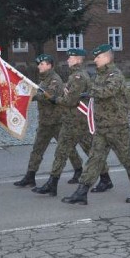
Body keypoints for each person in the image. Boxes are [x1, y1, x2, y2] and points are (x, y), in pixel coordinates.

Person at [62, 44, 130, 205]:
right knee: (94, 159)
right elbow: (95, 93)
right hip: (102, 128)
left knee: (127, 159)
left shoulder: (116, 75)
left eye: (98, 57)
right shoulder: (99, 75)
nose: (95, 59)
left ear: (106, 58)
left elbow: (107, 92)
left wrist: (88, 89)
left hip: (117, 127)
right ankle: (81, 192)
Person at [32, 48, 111, 196]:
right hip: (73, 120)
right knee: (69, 151)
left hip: (77, 121)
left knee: (71, 152)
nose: (68, 60)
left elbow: (70, 100)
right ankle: (53, 183)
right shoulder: (75, 75)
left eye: (71, 57)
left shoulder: (78, 77)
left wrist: (56, 100)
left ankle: (104, 179)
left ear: (78, 59)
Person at [13, 54, 83, 187]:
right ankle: (30, 176)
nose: (39, 66)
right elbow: (39, 93)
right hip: (45, 122)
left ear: (49, 65)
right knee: (37, 149)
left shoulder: (55, 80)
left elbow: (50, 96)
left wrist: (32, 95)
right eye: (39, 64)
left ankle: (78, 170)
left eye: (42, 64)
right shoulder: (43, 80)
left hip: (57, 122)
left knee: (67, 149)